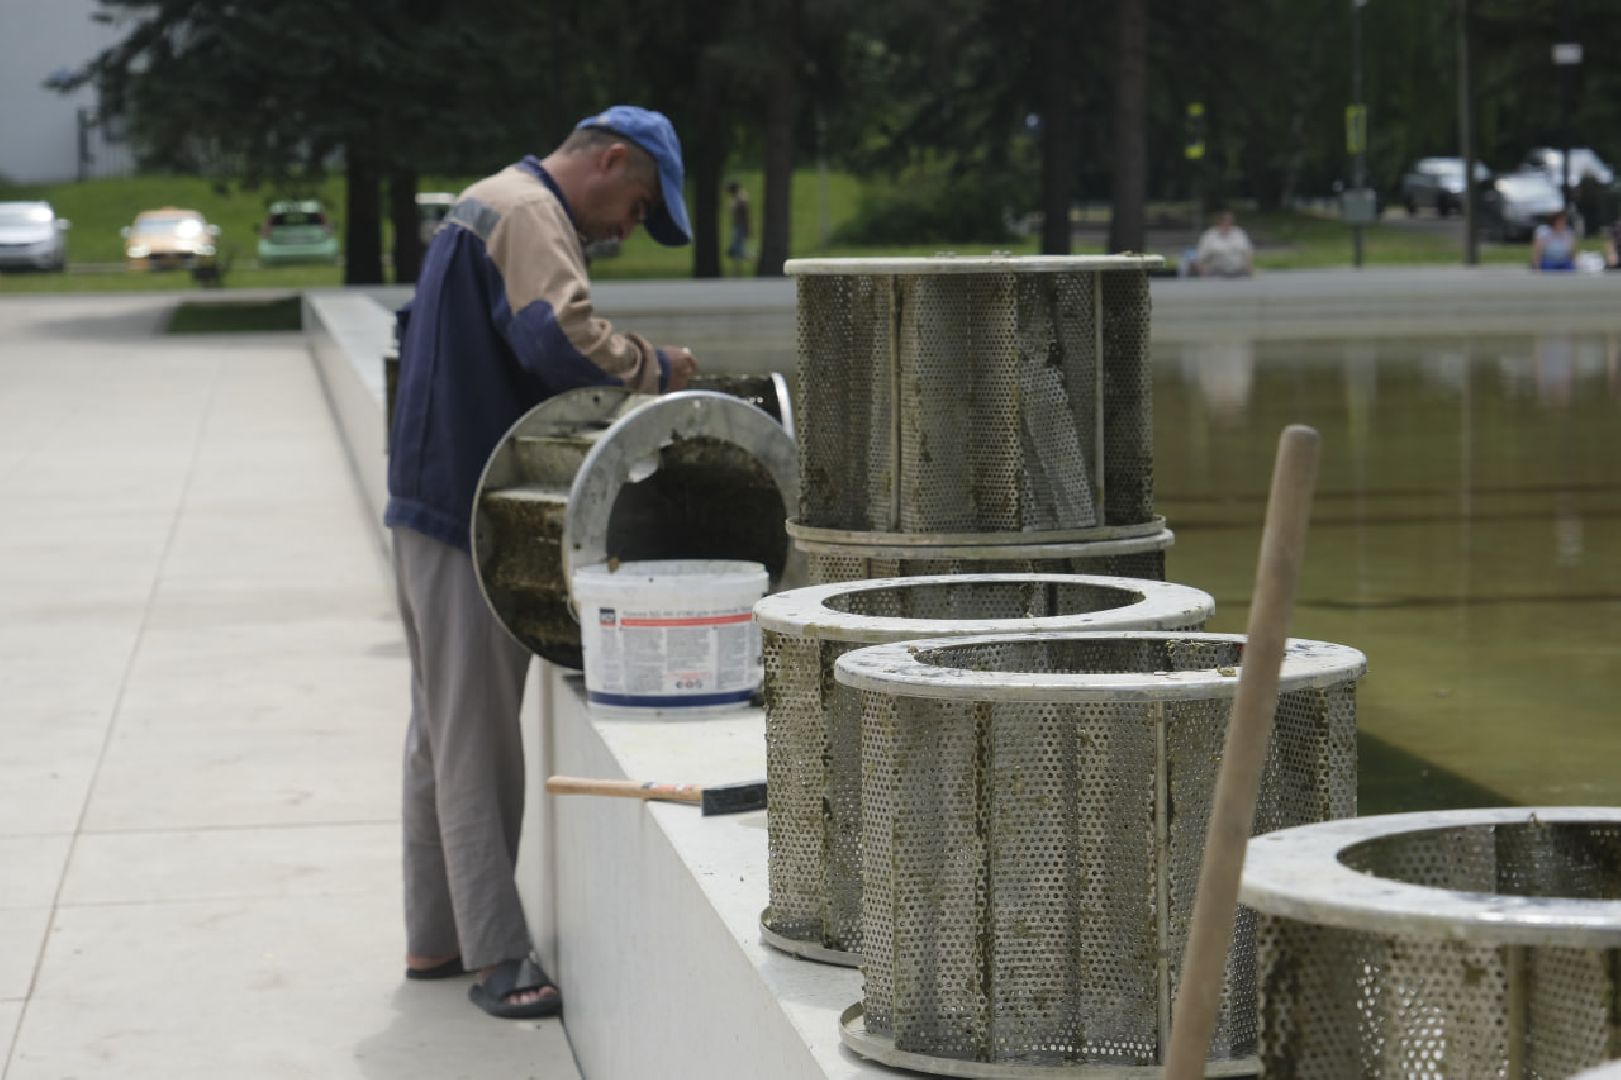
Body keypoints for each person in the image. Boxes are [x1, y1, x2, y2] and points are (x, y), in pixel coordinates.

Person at [385, 105, 699, 1021]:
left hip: (424, 502)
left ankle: (434, 934)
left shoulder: (486, 202)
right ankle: (495, 956)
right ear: (606, 162)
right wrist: (658, 369)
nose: (625, 230)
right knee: (478, 744)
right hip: (460, 515)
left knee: (437, 735)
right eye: (637, 206)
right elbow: (556, 342)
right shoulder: (529, 213)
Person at [1194, 210, 1254, 278]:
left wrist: (1249, 267)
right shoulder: (1209, 235)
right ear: (1219, 222)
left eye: (1230, 221)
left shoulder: (1239, 233)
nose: (1228, 223)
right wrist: (1203, 273)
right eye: (1225, 221)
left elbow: (1248, 252)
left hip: (1239, 271)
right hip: (1216, 272)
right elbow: (1200, 257)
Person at [725, 179, 752, 276]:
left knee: (738, 251)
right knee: (737, 251)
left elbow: (745, 215)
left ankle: (737, 271)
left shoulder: (741, 198)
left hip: (740, 227)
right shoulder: (735, 198)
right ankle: (737, 271)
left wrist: (748, 228)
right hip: (736, 227)